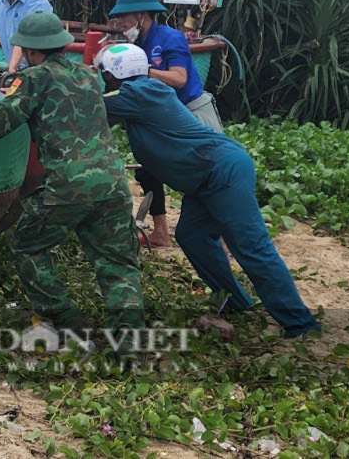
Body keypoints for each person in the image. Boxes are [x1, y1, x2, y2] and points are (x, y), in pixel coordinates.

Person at [96, 43, 320, 338]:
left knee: (251, 247)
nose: (103, 78)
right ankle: (237, 304)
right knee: (192, 236)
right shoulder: (138, 97)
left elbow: (91, 107)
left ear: (114, 74)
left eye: (104, 73)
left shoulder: (143, 92)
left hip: (221, 172)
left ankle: (301, 324)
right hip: (203, 180)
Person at [0, 11, 144, 339]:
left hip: (68, 186)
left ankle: (67, 322)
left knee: (27, 245)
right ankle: (130, 343)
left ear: (31, 51)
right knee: (118, 263)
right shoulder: (89, 76)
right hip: (112, 182)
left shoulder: (35, 79)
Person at [106, 0, 222, 248]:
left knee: (208, 170)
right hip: (159, 117)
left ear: (140, 15)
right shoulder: (134, 44)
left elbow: (179, 79)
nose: (120, 24)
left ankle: (223, 230)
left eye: (123, 18)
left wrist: (143, 70)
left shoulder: (170, 38)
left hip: (191, 110)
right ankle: (161, 233)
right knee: (148, 168)